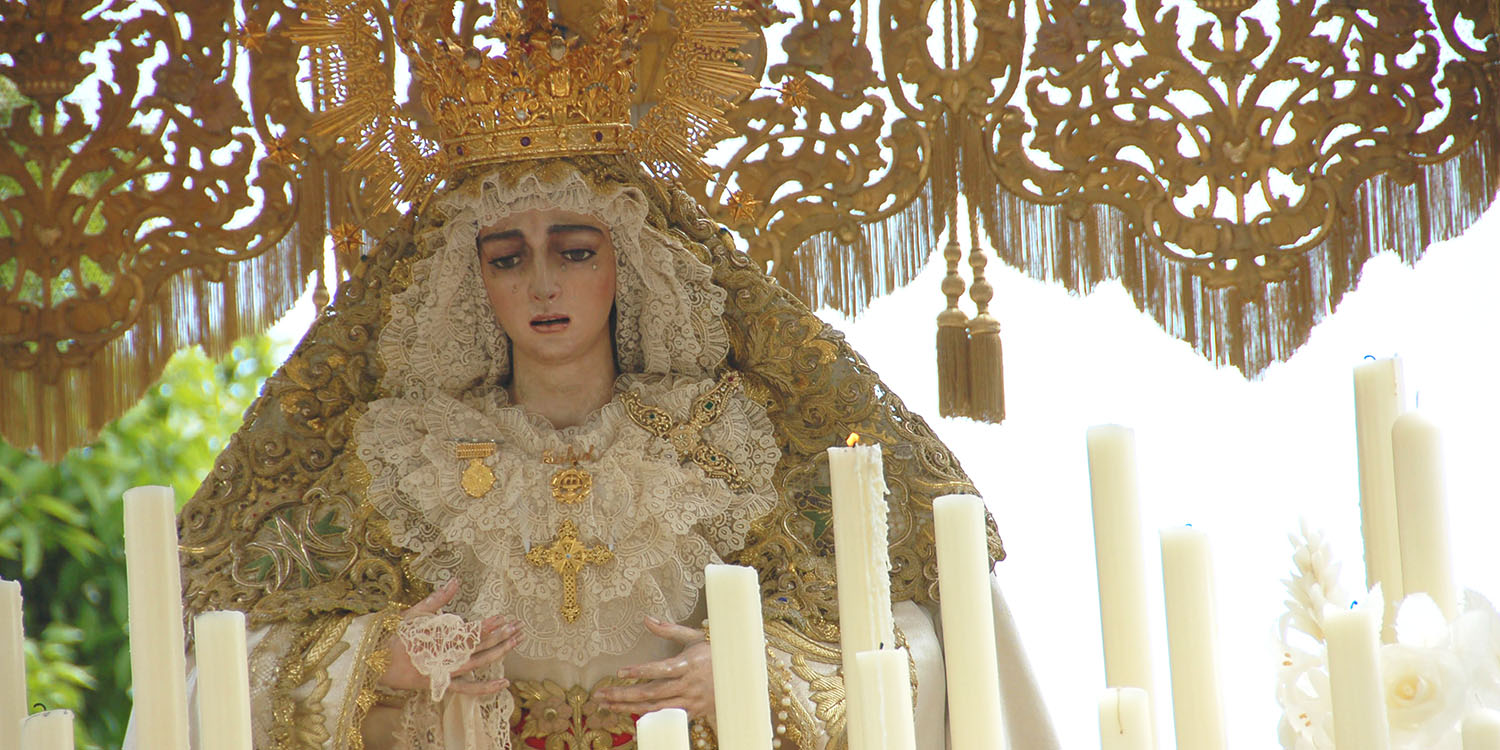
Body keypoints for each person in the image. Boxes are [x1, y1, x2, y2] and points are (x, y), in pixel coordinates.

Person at [151, 4, 1059, 748]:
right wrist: (377, 656)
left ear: (629, 264)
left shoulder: (727, 443)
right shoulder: (394, 459)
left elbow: (926, 643)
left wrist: (755, 671)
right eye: (507, 258)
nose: (542, 283)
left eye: (574, 250)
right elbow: (217, 657)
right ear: (471, 285)